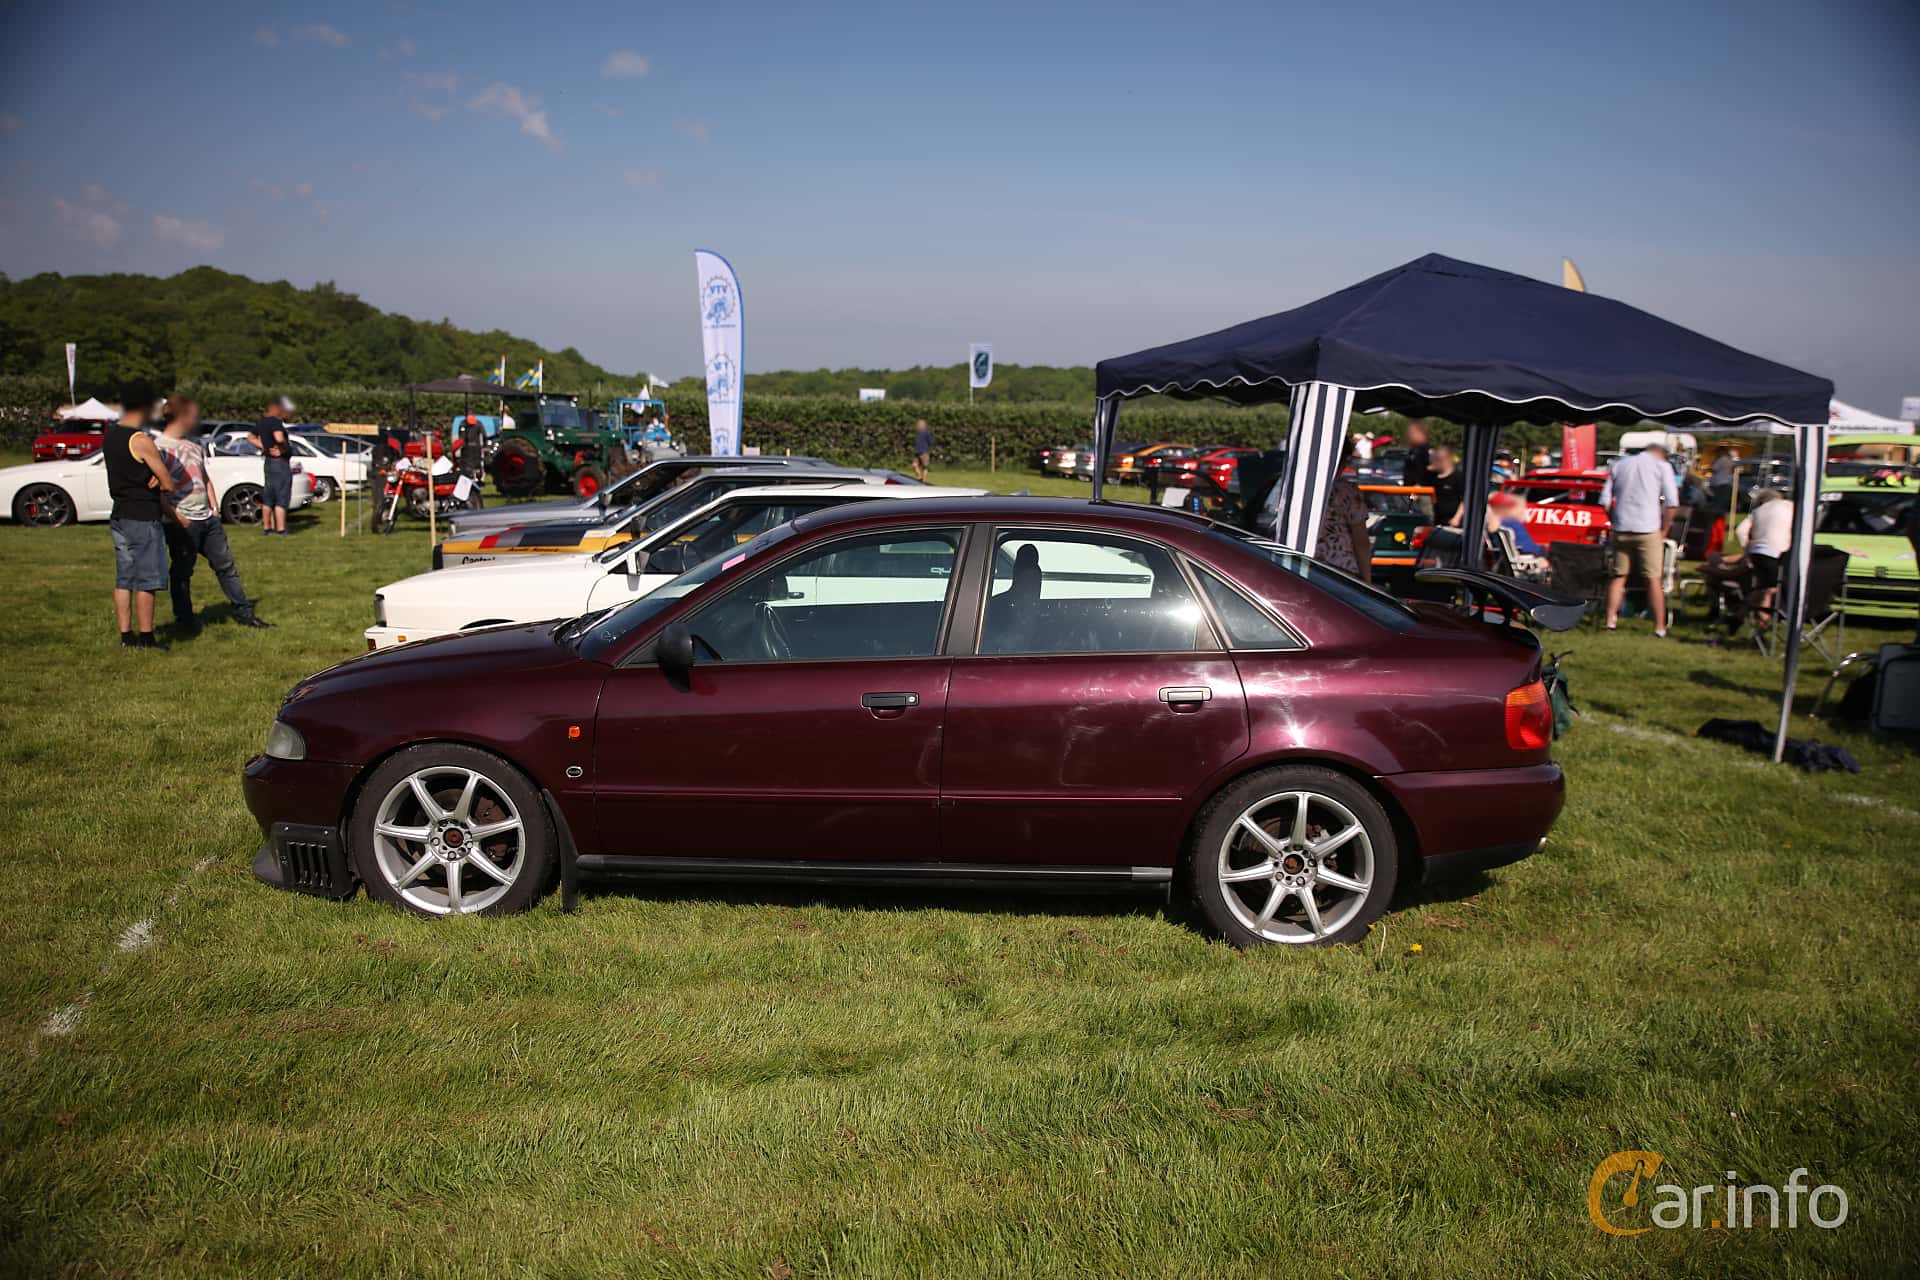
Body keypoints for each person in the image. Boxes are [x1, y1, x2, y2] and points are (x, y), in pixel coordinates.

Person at [155, 398, 274, 633]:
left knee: (226, 567)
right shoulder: (159, 448)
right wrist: (176, 518)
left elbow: (205, 478)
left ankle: (245, 614)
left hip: (208, 520)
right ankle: (185, 621)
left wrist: (214, 509)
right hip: (182, 522)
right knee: (182, 573)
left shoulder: (194, 446)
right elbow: (157, 491)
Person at [105, 392, 175, 648]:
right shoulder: (141, 440)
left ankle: (126, 635)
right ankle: (147, 636)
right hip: (143, 515)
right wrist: (158, 477)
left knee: (124, 578)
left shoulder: (111, 435)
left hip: (120, 512)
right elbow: (168, 483)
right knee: (147, 578)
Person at [1600, 443, 1679, 635]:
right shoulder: (1662, 466)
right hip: (1648, 528)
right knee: (1653, 579)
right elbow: (1672, 502)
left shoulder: (1620, 465)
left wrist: (1615, 520)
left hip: (1621, 528)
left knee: (1618, 576)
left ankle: (1610, 621)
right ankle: (1659, 627)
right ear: (1662, 454)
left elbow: (1604, 500)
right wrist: (1665, 529)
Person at [1702, 488, 1792, 626]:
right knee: (1767, 590)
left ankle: (1740, 616)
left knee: (1764, 589)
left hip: (1758, 555)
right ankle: (1755, 625)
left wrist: (1747, 549)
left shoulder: (1758, 511)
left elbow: (1740, 531)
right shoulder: (1789, 507)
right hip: (1780, 555)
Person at [1314, 439, 1372, 582]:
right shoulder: (1348, 491)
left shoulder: (1296, 486)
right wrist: (1367, 580)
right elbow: (1361, 540)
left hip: (1301, 568)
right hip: (1341, 571)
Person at [253, 393, 295, 536]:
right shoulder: (276, 422)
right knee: (281, 497)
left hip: (268, 462)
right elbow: (279, 437)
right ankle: (281, 528)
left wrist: (264, 447)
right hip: (280, 463)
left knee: (268, 496)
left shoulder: (262, 422)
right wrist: (282, 448)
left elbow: (250, 437)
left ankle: (267, 527)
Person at [1428, 444, 1465, 528]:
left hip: (1453, 523)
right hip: (1437, 522)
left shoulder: (1458, 477)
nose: (1436, 462)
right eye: (1436, 459)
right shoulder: (1433, 477)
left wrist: (1457, 518)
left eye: (1439, 459)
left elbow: (1465, 500)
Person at [1707, 445, 1737, 514]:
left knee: (1718, 502)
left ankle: (1717, 514)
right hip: (1727, 482)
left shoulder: (1721, 460)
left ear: (1721, 452)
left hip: (1719, 483)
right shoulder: (1729, 460)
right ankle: (1721, 514)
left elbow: (1713, 469)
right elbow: (1733, 469)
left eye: (1717, 452)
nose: (1716, 454)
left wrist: (1713, 462)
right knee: (1723, 502)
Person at [1403, 420, 1433, 487]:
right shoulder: (1412, 451)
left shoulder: (1428, 451)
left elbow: (1433, 471)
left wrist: (1422, 484)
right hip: (1409, 489)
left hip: (1423, 490)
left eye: (1413, 433)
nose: (1409, 436)